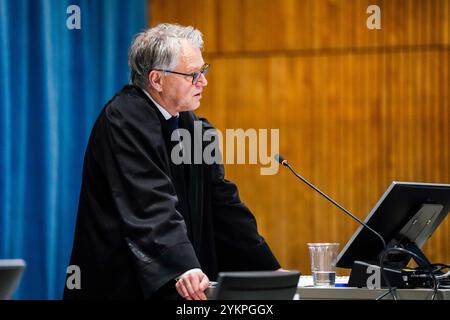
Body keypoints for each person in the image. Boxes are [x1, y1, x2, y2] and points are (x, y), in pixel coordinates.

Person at [63, 23, 280, 300]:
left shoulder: (190, 124)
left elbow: (222, 202)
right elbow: (150, 203)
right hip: (121, 284)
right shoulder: (123, 120)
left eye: (204, 71)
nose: (203, 81)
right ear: (156, 80)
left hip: (177, 285)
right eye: (193, 75)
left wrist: (267, 269)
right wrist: (184, 265)